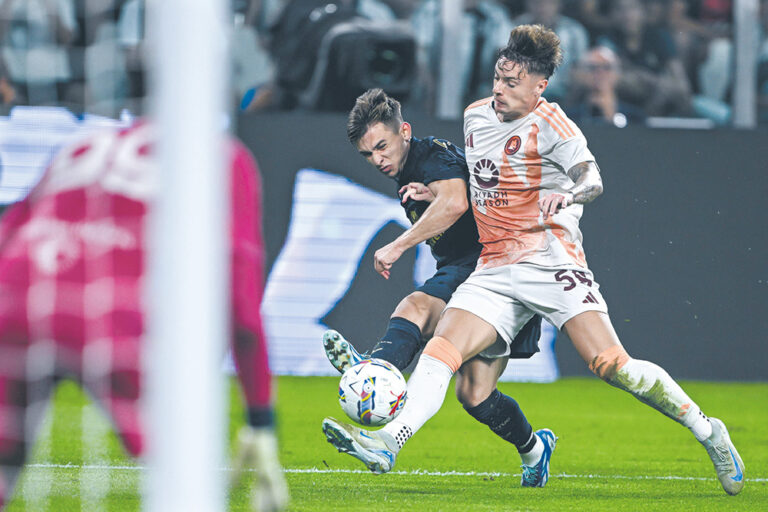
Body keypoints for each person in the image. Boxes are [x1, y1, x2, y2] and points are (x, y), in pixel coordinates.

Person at [322, 24, 745, 496]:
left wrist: (567, 194)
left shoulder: (554, 125)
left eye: (512, 82)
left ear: (539, 86)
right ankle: (387, 443)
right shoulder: (476, 116)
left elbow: (592, 177)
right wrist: (433, 190)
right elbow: (478, 171)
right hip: (494, 268)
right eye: (498, 80)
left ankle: (709, 432)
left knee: (612, 366)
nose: (499, 91)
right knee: (443, 351)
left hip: (550, 260)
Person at [0, 122, 289, 511]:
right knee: (186, 481)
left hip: (14, 295)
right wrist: (260, 420)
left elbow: (10, 231)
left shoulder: (85, 145)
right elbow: (241, 299)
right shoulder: (224, 157)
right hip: (107, 315)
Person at [322, 88, 555, 487]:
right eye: (368, 154)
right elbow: (466, 189)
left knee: (419, 309)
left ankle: (379, 377)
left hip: (495, 268)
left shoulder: (431, 156)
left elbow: (455, 203)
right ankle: (535, 450)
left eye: (382, 146)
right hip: (471, 268)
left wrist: (398, 244)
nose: (377, 159)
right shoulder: (419, 171)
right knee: (475, 395)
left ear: (405, 132)